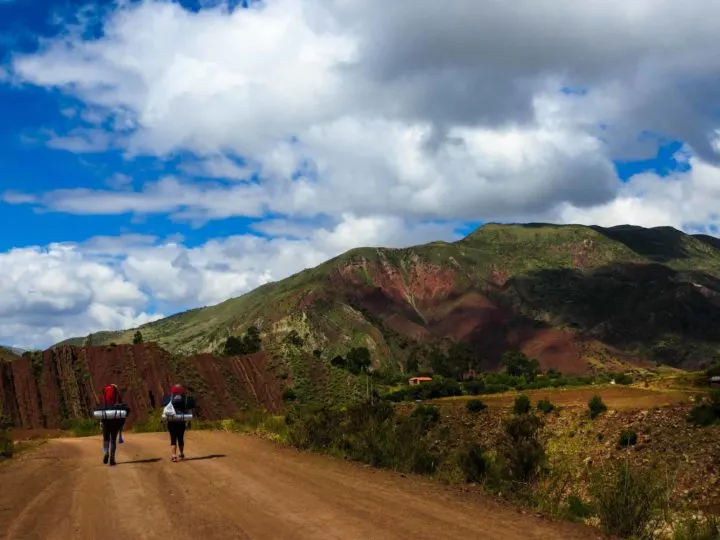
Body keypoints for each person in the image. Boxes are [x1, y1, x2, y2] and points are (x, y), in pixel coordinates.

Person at [99, 383, 126, 466]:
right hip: (115, 419)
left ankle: (106, 452)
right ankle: (112, 458)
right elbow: (122, 405)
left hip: (106, 419)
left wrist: (101, 421)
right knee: (113, 440)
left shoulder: (104, 394)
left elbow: (102, 407)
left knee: (106, 439)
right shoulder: (117, 394)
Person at [163, 384, 188, 462]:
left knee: (173, 439)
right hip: (181, 421)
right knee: (181, 438)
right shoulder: (184, 399)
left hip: (171, 422)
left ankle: (174, 456)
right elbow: (188, 408)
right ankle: (181, 454)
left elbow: (164, 405)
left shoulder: (168, 398)